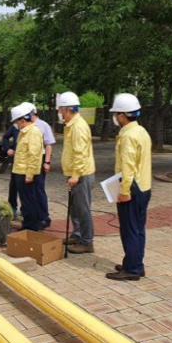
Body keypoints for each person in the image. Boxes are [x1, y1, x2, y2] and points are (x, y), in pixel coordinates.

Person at [106, 94, 152, 281]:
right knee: (138, 229)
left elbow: (128, 166)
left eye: (117, 114)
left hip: (132, 187)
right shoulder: (141, 131)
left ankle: (132, 269)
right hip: (144, 186)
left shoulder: (128, 136)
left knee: (129, 229)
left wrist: (124, 191)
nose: (115, 117)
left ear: (123, 115)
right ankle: (135, 264)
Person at [57, 92, 96, 253]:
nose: (59, 112)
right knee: (74, 208)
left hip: (81, 174)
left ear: (67, 109)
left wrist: (75, 175)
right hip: (76, 173)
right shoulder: (71, 125)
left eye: (60, 109)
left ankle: (87, 242)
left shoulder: (78, 127)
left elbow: (80, 154)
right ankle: (78, 234)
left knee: (82, 208)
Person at [10, 103, 44, 231]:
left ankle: (32, 227)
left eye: (16, 122)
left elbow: (34, 155)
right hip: (20, 171)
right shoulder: (24, 132)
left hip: (26, 173)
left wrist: (30, 175)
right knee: (25, 200)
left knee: (30, 200)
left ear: (22, 120)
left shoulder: (33, 132)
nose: (16, 124)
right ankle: (28, 224)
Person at [32, 106, 56, 230]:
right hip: (29, 160)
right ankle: (33, 215)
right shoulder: (25, 125)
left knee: (39, 189)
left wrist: (47, 162)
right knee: (30, 190)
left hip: (40, 159)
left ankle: (44, 217)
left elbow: (48, 145)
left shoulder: (43, 125)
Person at [2, 123, 20, 217]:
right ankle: (12, 207)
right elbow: (5, 137)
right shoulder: (15, 126)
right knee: (14, 184)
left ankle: (26, 210)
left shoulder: (37, 126)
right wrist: (8, 149)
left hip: (29, 161)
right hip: (16, 160)